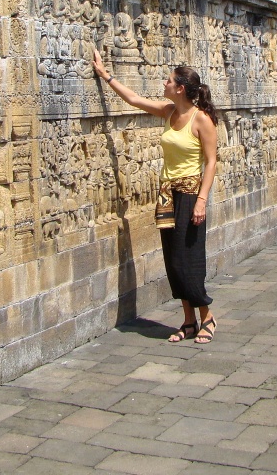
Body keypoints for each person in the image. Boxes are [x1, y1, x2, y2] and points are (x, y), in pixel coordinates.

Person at [91, 49, 219, 344]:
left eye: (168, 80)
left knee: (189, 258)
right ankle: (188, 320)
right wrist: (106, 75)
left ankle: (207, 316)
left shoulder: (201, 119)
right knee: (173, 259)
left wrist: (202, 200)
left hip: (190, 193)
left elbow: (211, 161)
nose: (164, 83)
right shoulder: (169, 111)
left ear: (180, 88)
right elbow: (134, 99)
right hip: (167, 194)